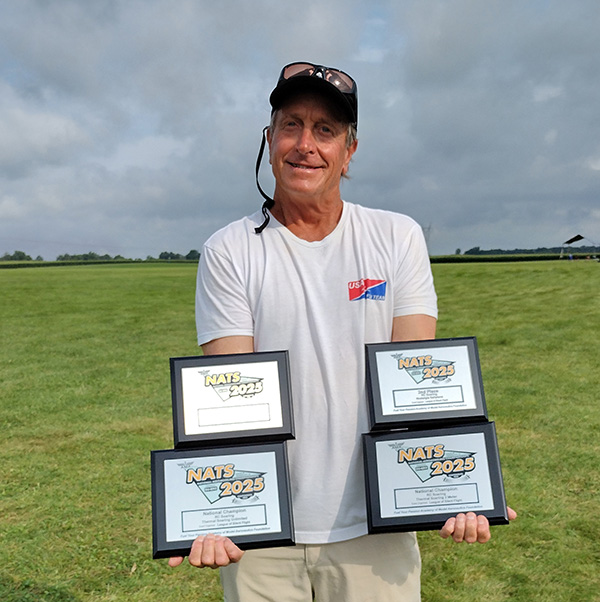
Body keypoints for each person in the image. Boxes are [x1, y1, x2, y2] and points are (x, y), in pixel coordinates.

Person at [169, 61, 516, 601]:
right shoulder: (229, 249)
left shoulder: (396, 237)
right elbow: (228, 399)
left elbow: (418, 385)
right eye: (292, 125)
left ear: (349, 151)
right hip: (264, 531)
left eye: (326, 130)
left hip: (377, 525)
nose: (306, 144)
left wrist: (460, 487)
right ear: (269, 139)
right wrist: (215, 509)